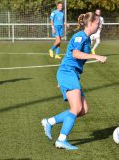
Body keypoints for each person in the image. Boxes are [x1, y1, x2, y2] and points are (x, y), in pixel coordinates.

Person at [41, 12, 107, 150]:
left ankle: (50, 121)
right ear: (89, 24)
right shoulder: (80, 36)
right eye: (97, 23)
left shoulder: (87, 39)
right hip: (67, 73)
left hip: (71, 74)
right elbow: (75, 54)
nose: (99, 25)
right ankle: (61, 140)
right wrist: (96, 56)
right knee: (76, 108)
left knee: (83, 110)